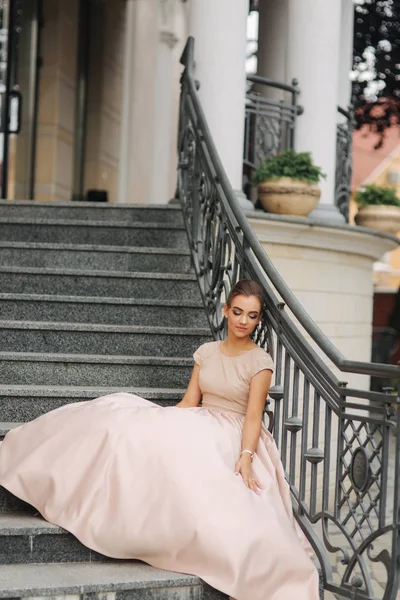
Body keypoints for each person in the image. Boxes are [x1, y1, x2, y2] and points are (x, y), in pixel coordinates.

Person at [0, 279, 319, 600]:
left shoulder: (259, 362)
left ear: (258, 319)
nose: (243, 321)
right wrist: (160, 419)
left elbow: (253, 417)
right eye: (237, 312)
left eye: (252, 316)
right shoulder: (207, 352)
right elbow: (188, 402)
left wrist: (247, 456)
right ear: (225, 310)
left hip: (235, 431)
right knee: (118, 420)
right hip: (199, 419)